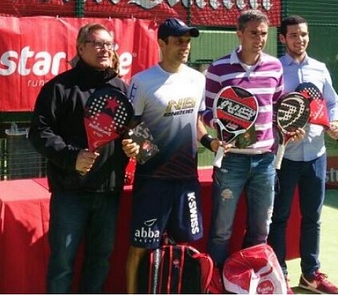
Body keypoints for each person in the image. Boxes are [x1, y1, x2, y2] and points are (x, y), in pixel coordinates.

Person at [29, 23, 131, 293]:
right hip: (69, 193)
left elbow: (133, 131)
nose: (105, 49)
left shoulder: (122, 88)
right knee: (62, 263)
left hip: (108, 192)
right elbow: (39, 132)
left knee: (100, 261)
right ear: (81, 48)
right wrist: (72, 157)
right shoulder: (59, 88)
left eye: (109, 44)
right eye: (98, 43)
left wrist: (137, 147)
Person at [121, 18, 221, 294]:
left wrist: (211, 142)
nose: (184, 47)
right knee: (141, 246)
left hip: (186, 180)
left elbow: (197, 122)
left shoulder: (197, 78)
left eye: (187, 41)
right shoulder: (142, 82)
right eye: (178, 41)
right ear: (162, 43)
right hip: (152, 180)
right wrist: (143, 151)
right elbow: (130, 127)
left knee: (186, 243)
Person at [201, 9, 295, 293]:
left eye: (264, 33)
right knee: (221, 231)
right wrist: (224, 128)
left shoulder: (274, 67)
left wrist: (287, 126)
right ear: (239, 34)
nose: (260, 39)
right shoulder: (218, 69)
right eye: (253, 33)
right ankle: (216, 284)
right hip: (231, 161)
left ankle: (250, 284)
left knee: (259, 231)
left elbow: (278, 106)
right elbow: (206, 111)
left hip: (266, 161)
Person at [268, 15, 338, 294]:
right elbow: (270, 108)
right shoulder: (274, 69)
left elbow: (332, 103)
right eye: (294, 35)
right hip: (284, 157)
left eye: (304, 35)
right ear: (283, 38)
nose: (300, 40)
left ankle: (310, 275)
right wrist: (282, 129)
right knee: (280, 216)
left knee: (313, 217)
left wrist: (334, 122)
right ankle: (280, 275)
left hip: (316, 155)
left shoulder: (320, 69)